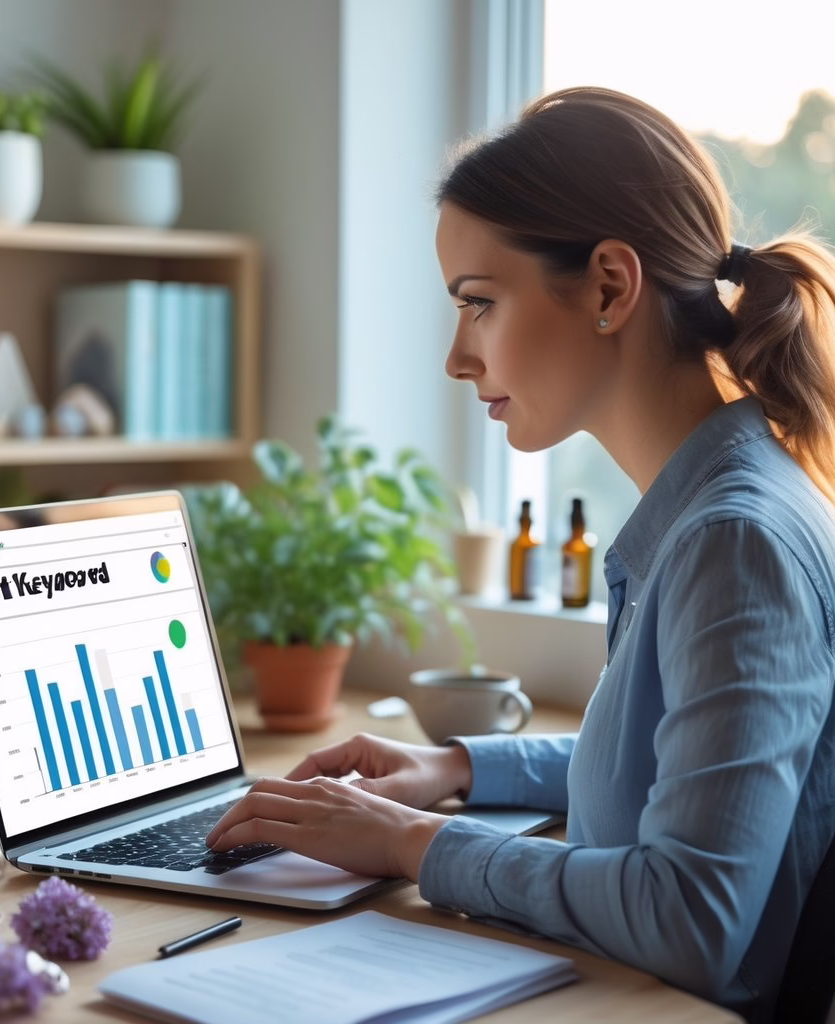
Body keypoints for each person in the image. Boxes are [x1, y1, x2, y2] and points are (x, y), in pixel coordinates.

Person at [205, 86, 835, 1023]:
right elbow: (674, 759)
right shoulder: (715, 505)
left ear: (612, 288)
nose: (457, 358)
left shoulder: (732, 541)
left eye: (480, 305)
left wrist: (412, 843)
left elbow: (693, 917)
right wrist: (456, 769)